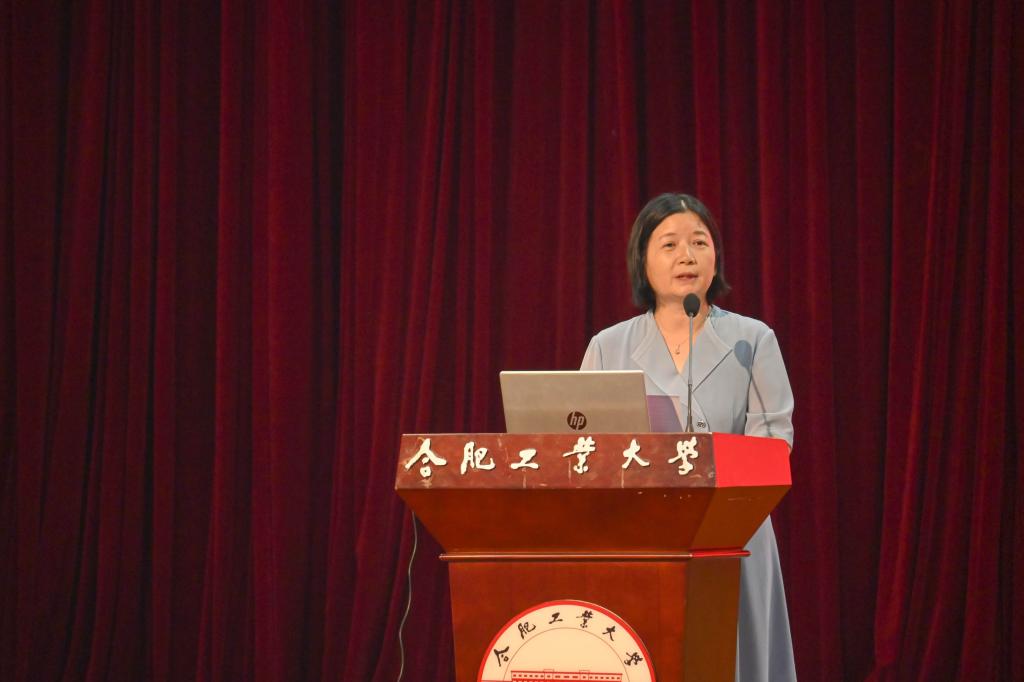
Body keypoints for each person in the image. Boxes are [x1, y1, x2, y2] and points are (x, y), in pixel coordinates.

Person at [580, 192, 797, 681]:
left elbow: (774, 444)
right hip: (641, 536)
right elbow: (585, 451)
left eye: (700, 242)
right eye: (670, 244)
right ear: (642, 259)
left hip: (732, 532)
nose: (687, 256)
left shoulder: (752, 340)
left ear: (715, 256)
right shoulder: (608, 347)